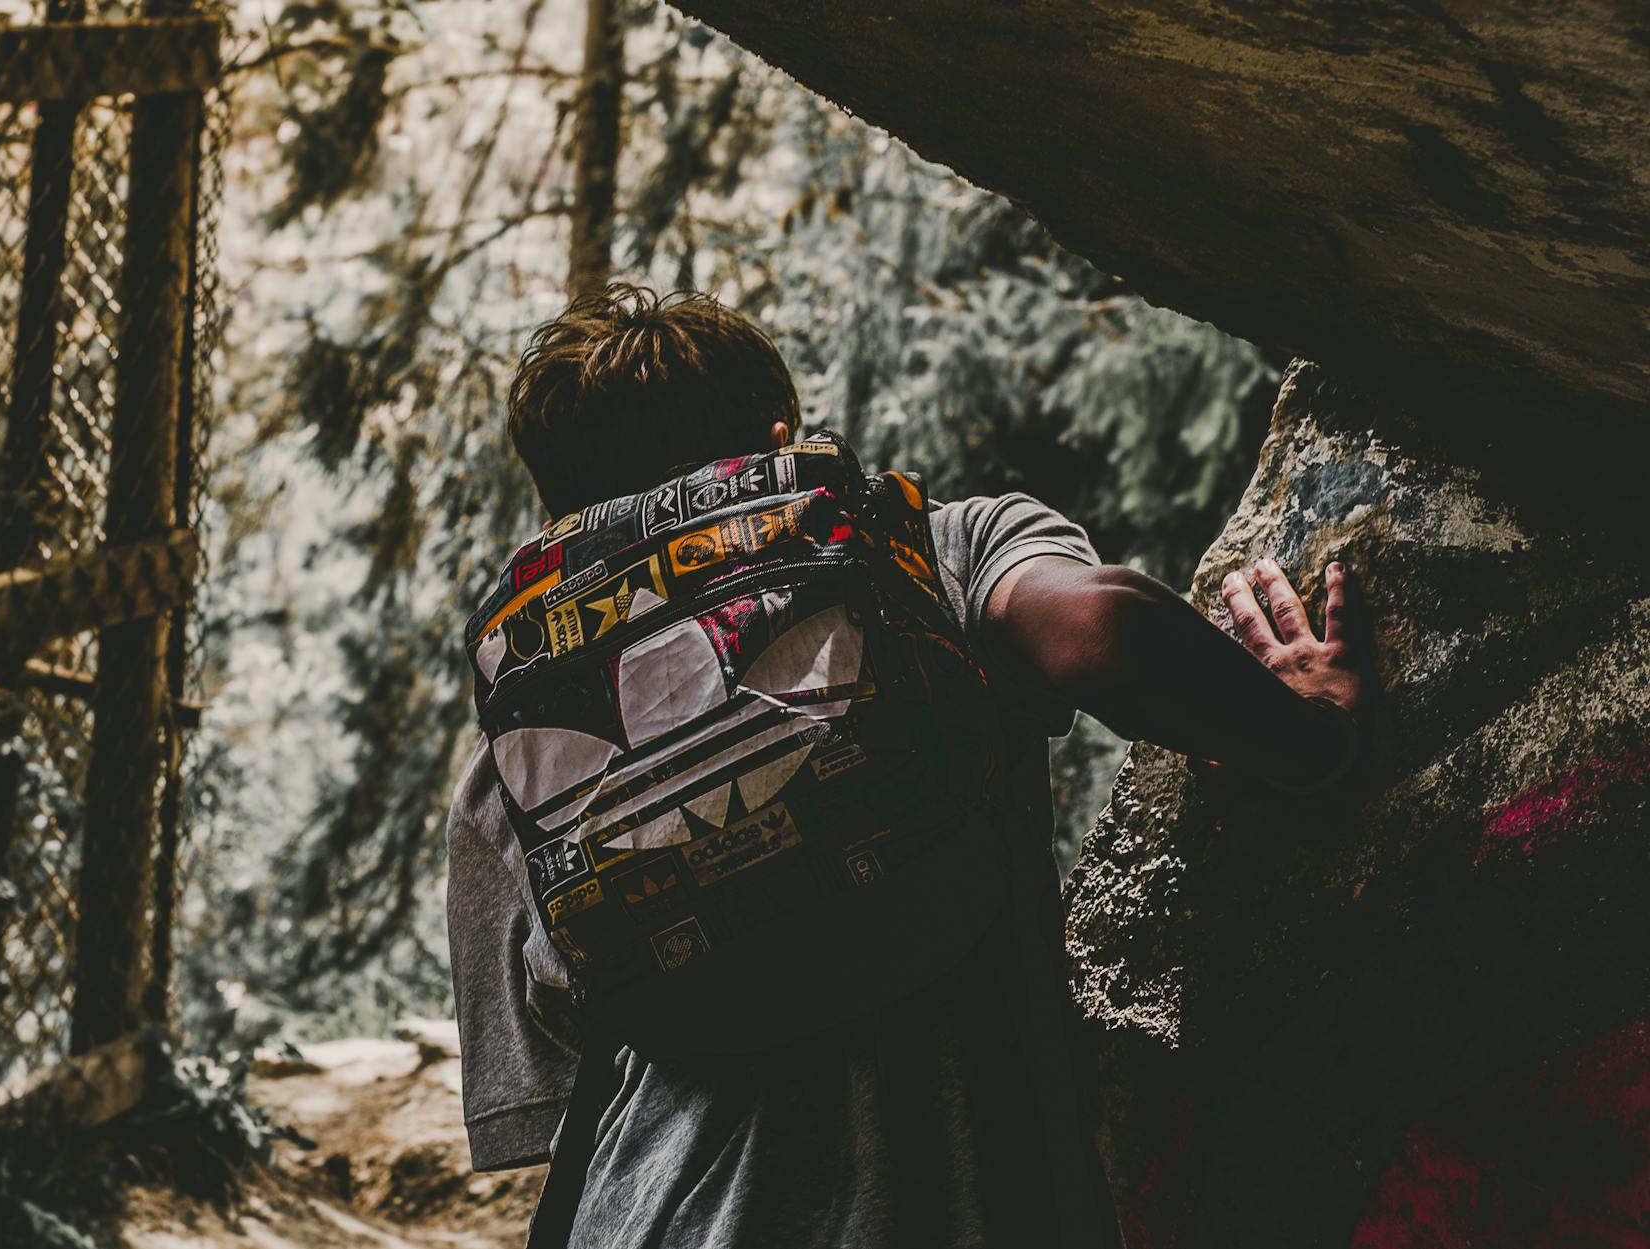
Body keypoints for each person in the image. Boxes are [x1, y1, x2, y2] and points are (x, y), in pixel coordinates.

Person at [446, 286, 1368, 1248]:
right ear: (777, 442)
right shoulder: (925, 552)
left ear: (566, 520)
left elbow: (561, 1113)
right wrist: (1311, 733)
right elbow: (1106, 631)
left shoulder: (521, 754)